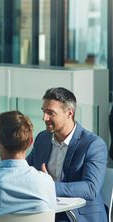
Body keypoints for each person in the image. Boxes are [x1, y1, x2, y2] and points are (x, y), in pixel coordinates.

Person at [27, 87, 107, 222]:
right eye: (44, 111)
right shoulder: (43, 138)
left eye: (50, 113)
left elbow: (90, 188)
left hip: (81, 216)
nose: (44, 118)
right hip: (48, 211)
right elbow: (27, 170)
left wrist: (49, 186)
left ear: (69, 113)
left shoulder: (93, 144)